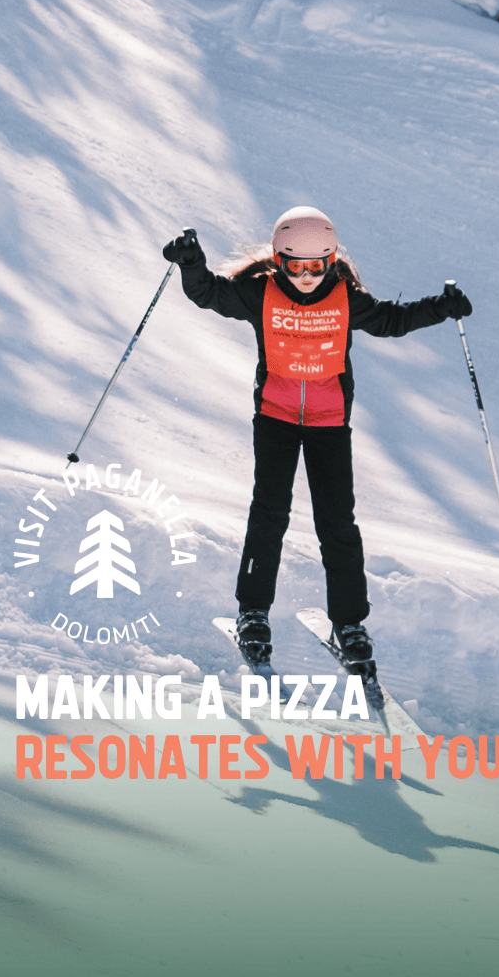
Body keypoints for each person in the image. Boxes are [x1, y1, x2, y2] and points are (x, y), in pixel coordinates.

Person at [163, 206, 471, 691]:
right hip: (276, 419)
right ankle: (253, 614)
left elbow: (392, 320)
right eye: (295, 266)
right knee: (269, 514)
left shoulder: (345, 298)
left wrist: (441, 307)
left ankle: (349, 622)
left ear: (331, 261)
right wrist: (191, 264)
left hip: (329, 424)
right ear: (278, 260)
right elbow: (209, 294)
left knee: (337, 523)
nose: (306, 277)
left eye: (317, 266)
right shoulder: (259, 293)